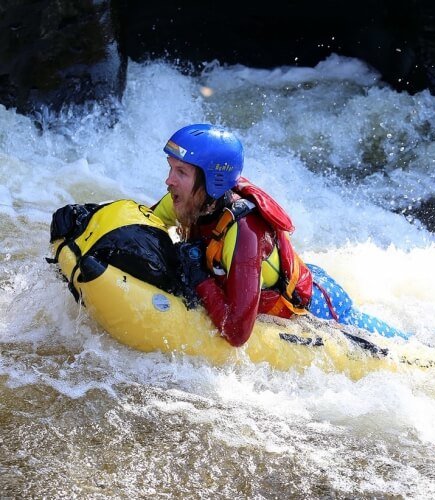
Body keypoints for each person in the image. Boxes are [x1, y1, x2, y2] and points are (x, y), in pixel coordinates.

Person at [152, 123, 409, 347]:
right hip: (285, 278)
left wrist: (199, 277)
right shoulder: (188, 200)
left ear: (211, 181)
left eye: (181, 172)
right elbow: (146, 221)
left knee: (402, 346)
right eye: (171, 168)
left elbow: (237, 333)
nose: (168, 181)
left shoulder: (245, 232)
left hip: (320, 308)